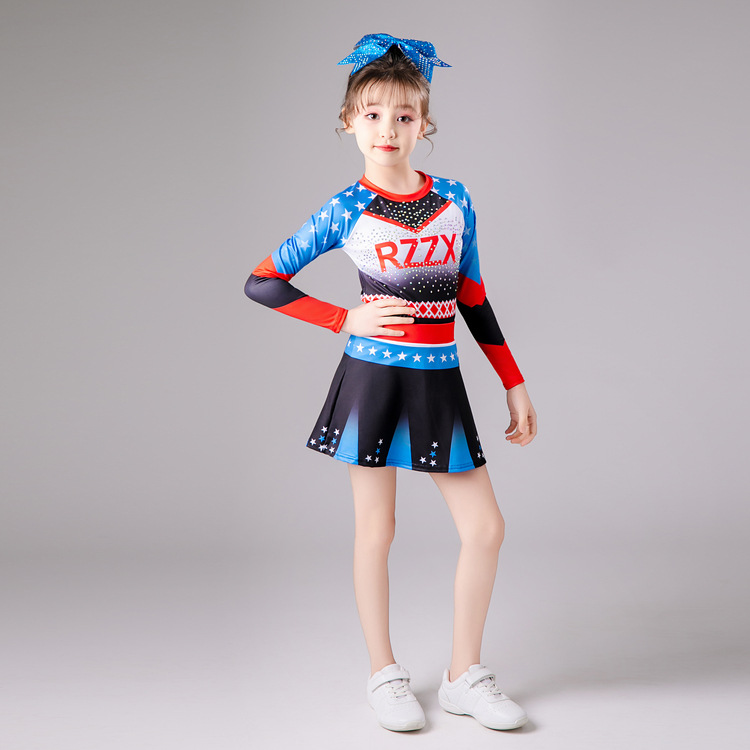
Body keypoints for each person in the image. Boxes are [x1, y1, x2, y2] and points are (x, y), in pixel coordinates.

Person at [244, 33, 537, 732]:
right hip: (373, 381)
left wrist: (513, 381)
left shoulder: (456, 200)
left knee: (486, 528)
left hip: (440, 382)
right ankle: (384, 672)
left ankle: (464, 674)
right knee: (378, 529)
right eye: (372, 115)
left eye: (403, 116)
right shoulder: (345, 208)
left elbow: (472, 297)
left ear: (424, 123)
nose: (387, 129)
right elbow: (262, 281)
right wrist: (342, 317)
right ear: (349, 122)